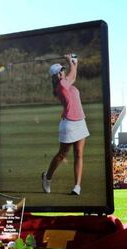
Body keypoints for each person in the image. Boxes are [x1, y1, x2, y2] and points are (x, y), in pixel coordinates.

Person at [42, 54, 90, 195]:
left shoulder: (66, 83)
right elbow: (73, 76)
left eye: (63, 70)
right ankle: (47, 177)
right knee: (62, 155)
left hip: (81, 121)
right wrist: (71, 61)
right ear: (56, 76)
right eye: (60, 71)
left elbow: (73, 73)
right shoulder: (62, 85)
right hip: (68, 124)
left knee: (79, 154)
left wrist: (75, 61)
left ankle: (77, 187)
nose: (63, 72)